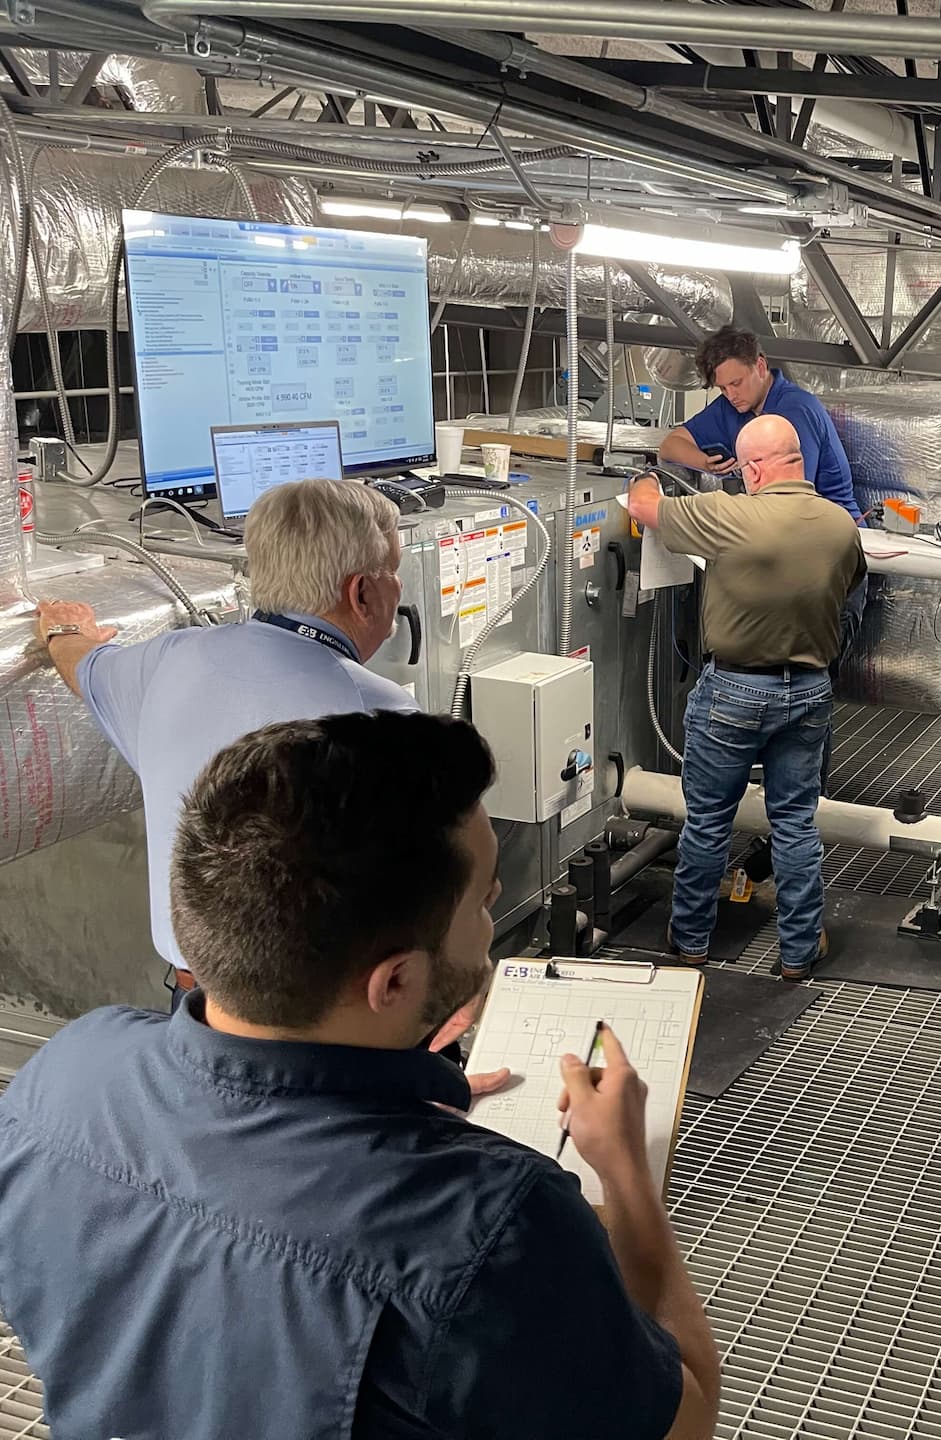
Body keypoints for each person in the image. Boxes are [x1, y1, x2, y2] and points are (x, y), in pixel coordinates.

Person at [0, 711, 721, 1438]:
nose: (494, 908)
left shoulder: (63, 1076)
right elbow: (686, 1422)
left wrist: (401, 1091)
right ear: (395, 982)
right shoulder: (493, 1227)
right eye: (483, 900)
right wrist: (626, 1171)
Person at [33, 478, 416, 1012]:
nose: (400, 587)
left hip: (198, 1006)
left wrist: (64, 631)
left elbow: (85, 668)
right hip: (326, 1016)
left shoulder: (168, 659)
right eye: (393, 570)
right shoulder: (383, 716)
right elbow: (430, 897)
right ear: (362, 593)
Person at [626, 414, 864, 982]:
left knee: (709, 822)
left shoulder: (728, 514)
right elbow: (849, 585)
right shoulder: (839, 525)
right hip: (809, 691)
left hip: (733, 691)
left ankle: (690, 943)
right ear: (797, 459)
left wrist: (647, 475)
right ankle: (800, 951)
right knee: (795, 823)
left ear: (753, 469)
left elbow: (642, 507)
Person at [657, 324, 863, 525]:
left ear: (761, 367)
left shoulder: (796, 410)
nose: (731, 395)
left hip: (828, 526)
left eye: (736, 383)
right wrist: (704, 463)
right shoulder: (732, 406)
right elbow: (671, 445)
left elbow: (790, 499)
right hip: (775, 518)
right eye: (723, 388)